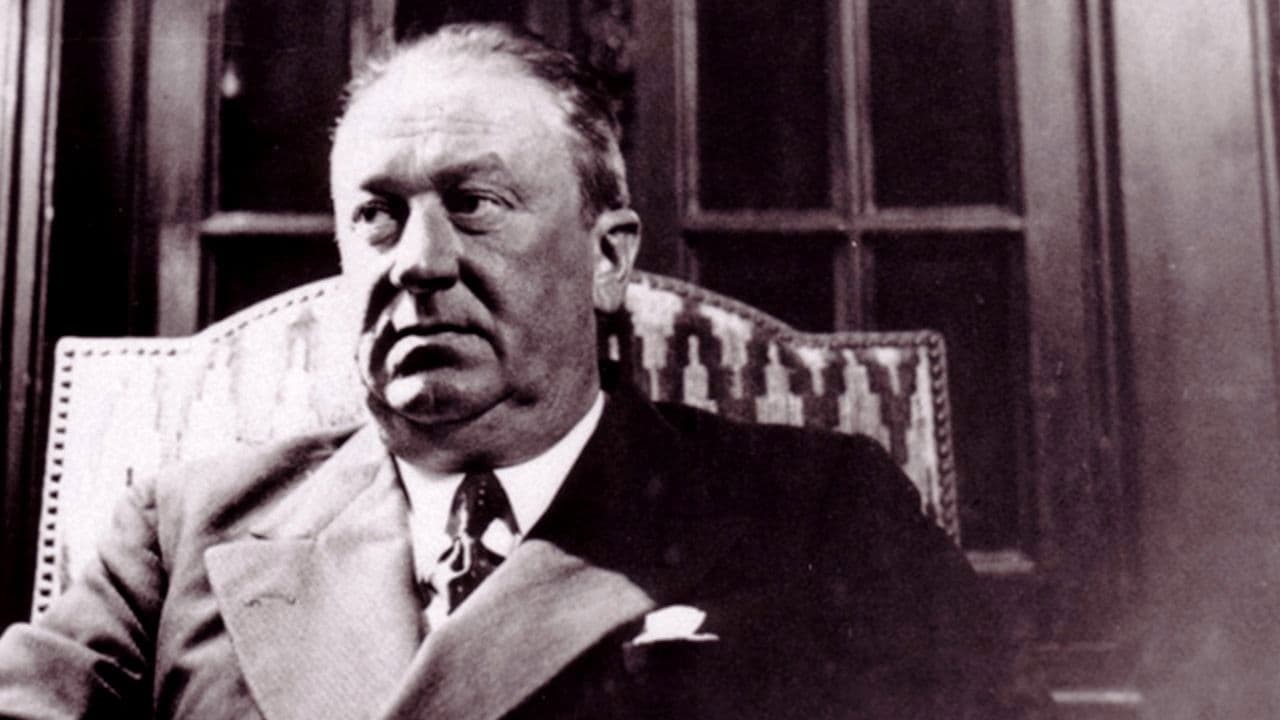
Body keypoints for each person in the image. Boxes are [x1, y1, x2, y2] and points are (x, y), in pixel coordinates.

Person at [0, 23, 1016, 720]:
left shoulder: (822, 514)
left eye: (474, 204)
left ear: (607, 257)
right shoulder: (182, 532)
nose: (418, 261)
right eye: (377, 215)